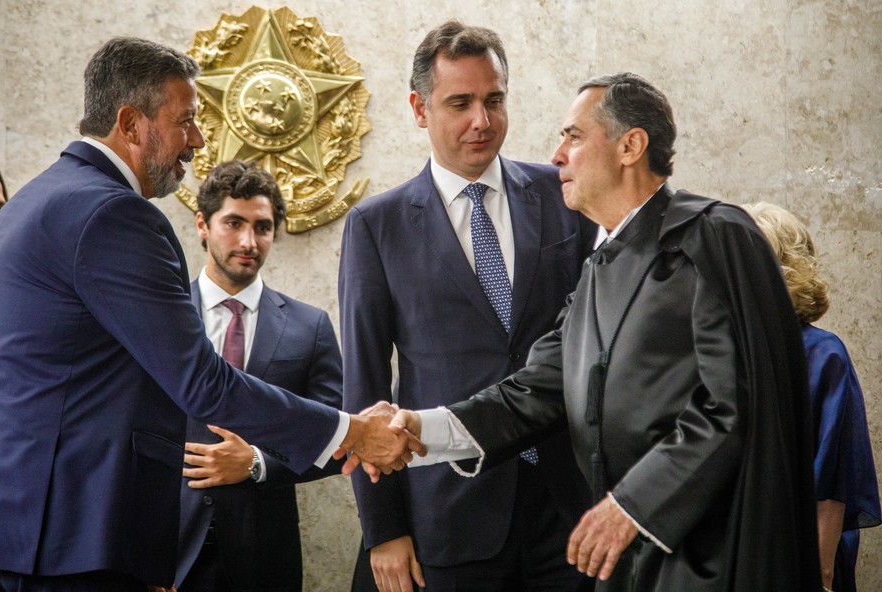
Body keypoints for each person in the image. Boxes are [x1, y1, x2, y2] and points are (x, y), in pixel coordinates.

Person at [363, 72, 823, 591]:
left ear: (631, 146)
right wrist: (418, 429)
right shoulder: (599, 266)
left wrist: (631, 506)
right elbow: (535, 391)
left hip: (712, 554)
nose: (556, 155)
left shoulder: (715, 234)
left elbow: (736, 403)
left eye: (574, 137)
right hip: (627, 556)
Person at [0, 37, 417, 592]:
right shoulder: (112, 214)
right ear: (131, 122)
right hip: (72, 537)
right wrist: (353, 431)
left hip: (32, 528)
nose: (196, 140)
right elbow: (200, 382)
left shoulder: (32, 200)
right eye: (186, 120)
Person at [339, 19, 596, 592]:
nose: (482, 120)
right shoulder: (375, 226)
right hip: (447, 515)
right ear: (419, 108)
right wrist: (383, 530)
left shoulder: (564, 196)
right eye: (460, 103)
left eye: (494, 100)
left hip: (570, 509)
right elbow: (365, 386)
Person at [173, 160, 344, 592]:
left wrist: (256, 464)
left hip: (265, 556)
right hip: (165, 550)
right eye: (233, 222)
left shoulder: (311, 327)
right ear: (202, 225)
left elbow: (333, 438)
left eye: (263, 227)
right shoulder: (163, 319)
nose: (249, 241)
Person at [743, 202, 880, 592]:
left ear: (784, 271)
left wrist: (819, 576)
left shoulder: (824, 355)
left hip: (799, 555)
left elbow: (833, 485)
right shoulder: (727, 349)